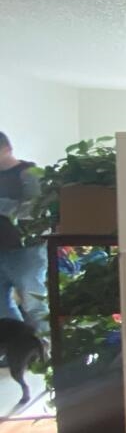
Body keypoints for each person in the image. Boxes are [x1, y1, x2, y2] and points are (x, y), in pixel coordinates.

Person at [0, 132, 47, 329]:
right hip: (2, 249)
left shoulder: (29, 173)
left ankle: (46, 354)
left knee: (34, 306)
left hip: (26, 251)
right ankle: (17, 350)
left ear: (7, 149)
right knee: (2, 309)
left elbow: (35, 210)